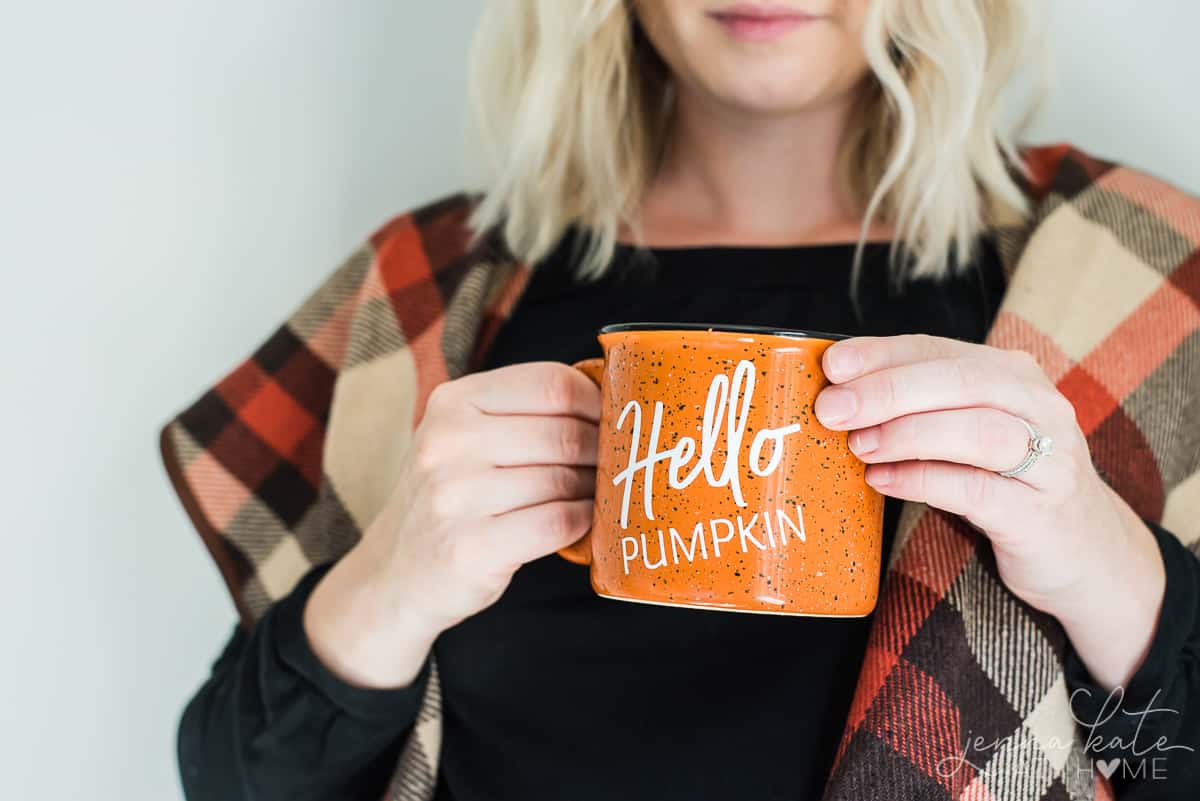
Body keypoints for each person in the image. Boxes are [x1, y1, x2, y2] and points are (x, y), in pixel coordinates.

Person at [161, 2, 1200, 800]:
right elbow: (232, 777)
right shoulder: (433, 291)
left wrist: (1102, 561)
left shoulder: (1130, 271)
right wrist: (389, 583)